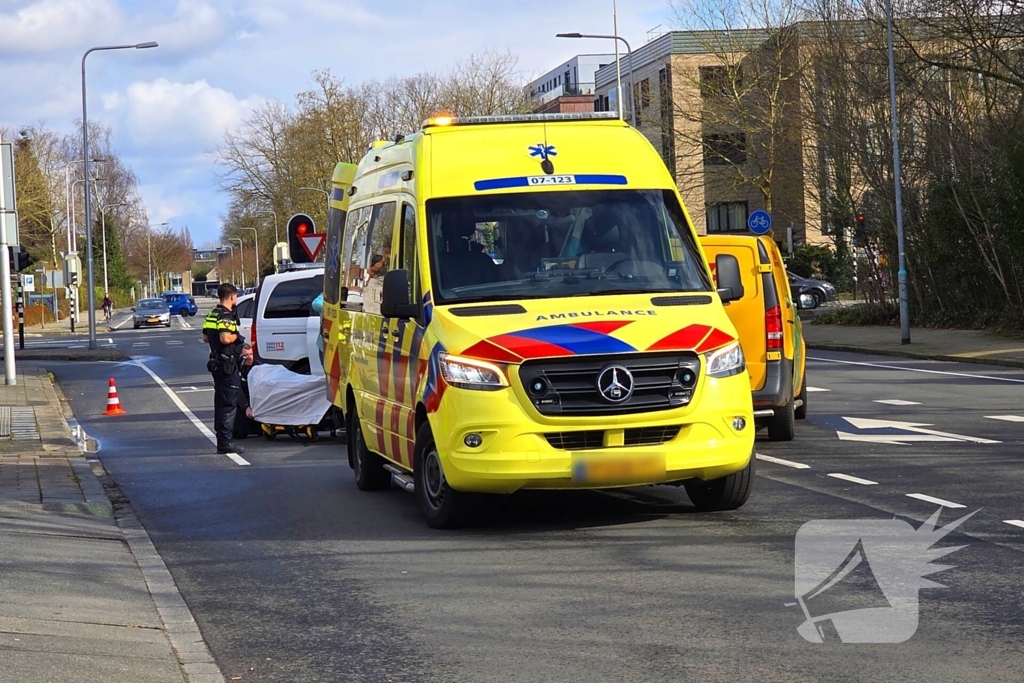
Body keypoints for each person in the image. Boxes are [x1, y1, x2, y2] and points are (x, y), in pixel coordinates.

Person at [202, 283, 253, 454]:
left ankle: (221, 439)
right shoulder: (225, 315)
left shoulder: (212, 314)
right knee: (229, 404)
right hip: (228, 364)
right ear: (232, 296)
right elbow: (225, 338)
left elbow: (205, 337)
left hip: (217, 363)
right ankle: (225, 442)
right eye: (236, 296)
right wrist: (237, 337)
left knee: (220, 401)